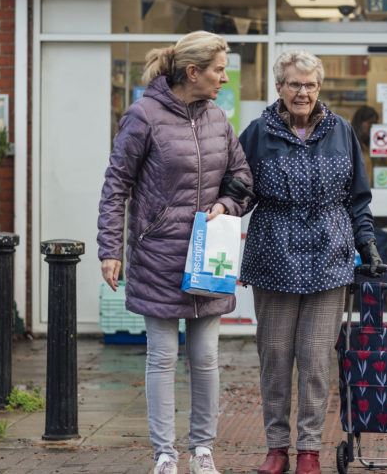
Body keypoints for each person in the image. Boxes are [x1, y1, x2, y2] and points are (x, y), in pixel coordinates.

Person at [97, 31, 254, 474]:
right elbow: (116, 186)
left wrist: (224, 205)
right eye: (218, 69)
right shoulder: (143, 116)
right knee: (162, 357)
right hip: (159, 255)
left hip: (209, 257)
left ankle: (202, 450)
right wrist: (110, 249)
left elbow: (241, 177)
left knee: (205, 358)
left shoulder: (218, 119)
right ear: (193, 72)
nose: (224, 77)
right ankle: (164, 454)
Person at [238, 50, 382, 474]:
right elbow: (240, 190)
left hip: (328, 257)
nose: (303, 92)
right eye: (294, 84)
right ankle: (277, 448)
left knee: (317, 359)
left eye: (310, 85)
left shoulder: (341, 132)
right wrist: (224, 207)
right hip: (273, 256)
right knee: (276, 356)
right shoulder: (257, 133)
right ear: (279, 87)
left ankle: (309, 451)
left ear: (319, 88)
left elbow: (358, 197)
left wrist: (367, 243)